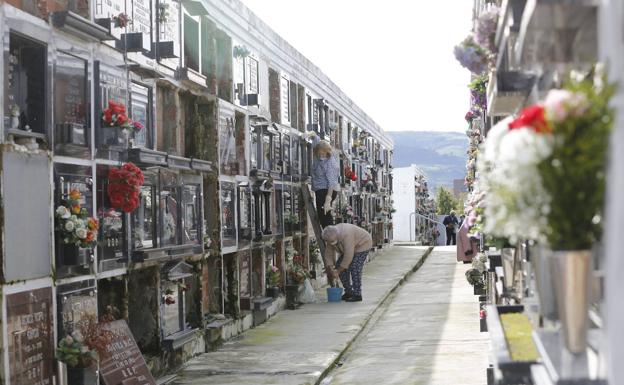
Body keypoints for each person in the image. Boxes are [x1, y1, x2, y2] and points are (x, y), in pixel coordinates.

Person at [322, 224, 372, 302]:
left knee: (355, 266)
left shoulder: (346, 233)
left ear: (337, 235)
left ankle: (357, 294)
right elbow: (328, 253)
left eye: (332, 241)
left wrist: (338, 271)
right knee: (339, 265)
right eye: (329, 241)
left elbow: (348, 255)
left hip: (363, 244)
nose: (331, 243)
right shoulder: (330, 235)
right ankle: (349, 291)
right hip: (350, 249)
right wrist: (331, 268)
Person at [310, 132, 340, 228]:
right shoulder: (317, 151)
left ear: (328, 152)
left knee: (325, 215)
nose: (321, 156)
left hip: (327, 190)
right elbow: (316, 139)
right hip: (320, 188)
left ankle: (330, 237)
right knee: (322, 214)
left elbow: (331, 182)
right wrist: (310, 134)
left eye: (323, 154)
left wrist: (328, 200)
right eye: (319, 154)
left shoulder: (330, 162)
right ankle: (329, 235)